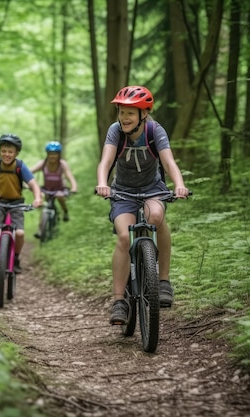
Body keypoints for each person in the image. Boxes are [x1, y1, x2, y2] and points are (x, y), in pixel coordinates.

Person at [95, 86, 188, 325]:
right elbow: (105, 161)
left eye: (130, 113)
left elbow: (169, 162)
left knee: (156, 217)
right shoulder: (115, 131)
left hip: (152, 190)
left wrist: (179, 185)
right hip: (122, 192)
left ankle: (163, 280)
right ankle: (118, 301)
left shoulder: (155, 131)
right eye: (121, 112)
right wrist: (102, 183)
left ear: (143, 114)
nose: (124, 118)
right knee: (125, 237)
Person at [0, 134, 42, 276]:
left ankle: (15, 258)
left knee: (20, 233)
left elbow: (33, 184)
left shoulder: (20, 167)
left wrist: (37, 198)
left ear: (16, 153)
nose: (7, 154)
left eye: (10, 152)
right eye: (4, 151)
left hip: (16, 204)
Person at [30, 141, 78, 228]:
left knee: (59, 196)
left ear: (59, 154)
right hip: (46, 188)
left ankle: (65, 211)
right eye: (50, 154)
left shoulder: (62, 164)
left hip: (59, 189)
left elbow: (70, 177)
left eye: (55, 154)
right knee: (41, 199)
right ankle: (41, 228)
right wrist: (27, 183)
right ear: (47, 154)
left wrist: (74, 187)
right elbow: (29, 173)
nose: (52, 156)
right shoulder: (43, 163)